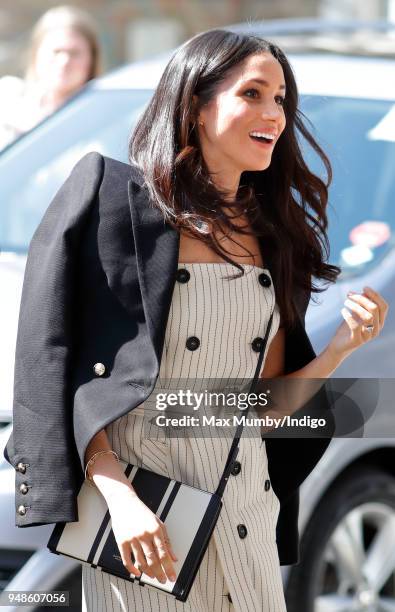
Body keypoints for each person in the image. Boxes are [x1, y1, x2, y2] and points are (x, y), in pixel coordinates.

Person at [3, 29, 389, 612]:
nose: (274, 114)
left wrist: (339, 350)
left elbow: (268, 407)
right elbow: (56, 367)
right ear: (196, 107)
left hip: (246, 518)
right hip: (146, 521)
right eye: (253, 94)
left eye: (281, 99)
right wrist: (121, 502)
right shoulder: (113, 200)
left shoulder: (273, 235)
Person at [0, 5, 101, 151]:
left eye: (74, 53)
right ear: (36, 54)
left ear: (92, 59)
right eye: (56, 51)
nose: (64, 61)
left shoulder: (101, 118)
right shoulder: (8, 97)